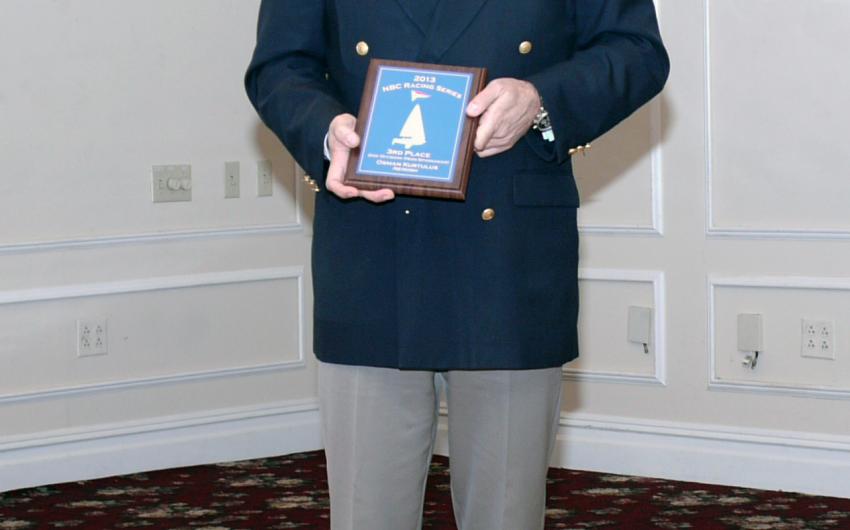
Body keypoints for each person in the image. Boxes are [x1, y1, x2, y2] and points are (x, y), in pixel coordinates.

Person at [246, 1, 669, 529]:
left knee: (506, 515)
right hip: (369, 247)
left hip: (509, 255)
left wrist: (539, 100)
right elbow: (280, 65)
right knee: (367, 513)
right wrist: (326, 133)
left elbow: (637, 52)